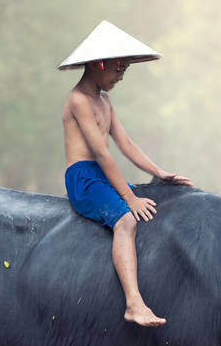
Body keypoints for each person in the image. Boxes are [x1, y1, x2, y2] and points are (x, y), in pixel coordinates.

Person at [59, 20, 190, 327]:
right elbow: (102, 153)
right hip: (84, 177)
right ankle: (133, 303)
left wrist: (159, 172)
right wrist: (129, 197)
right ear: (99, 63)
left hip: (102, 176)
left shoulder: (105, 100)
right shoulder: (79, 99)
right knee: (127, 220)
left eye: (124, 71)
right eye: (118, 69)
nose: (120, 76)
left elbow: (126, 144)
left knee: (159, 198)